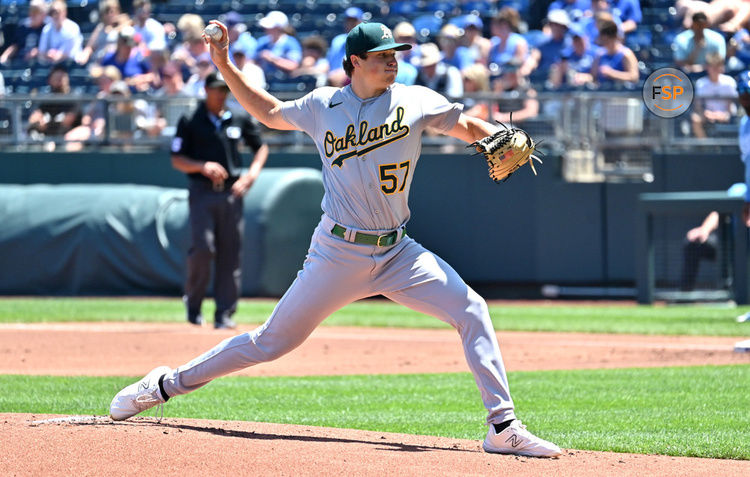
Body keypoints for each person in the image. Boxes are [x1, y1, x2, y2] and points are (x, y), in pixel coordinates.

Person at [109, 20, 562, 459]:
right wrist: (225, 63)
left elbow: (467, 126)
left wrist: (500, 135)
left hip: (397, 251)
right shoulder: (321, 105)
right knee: (271, 343)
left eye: (395, 55)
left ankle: (502, 427)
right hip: (337, 252)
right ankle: (166, 384)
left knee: (471, 308)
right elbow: (267, 112)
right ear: (354, 61)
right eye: (383, 56)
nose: (392, 63)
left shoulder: (415, 100)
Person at [169, 71, 269, 329]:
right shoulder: (191, 118)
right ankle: (193, 306)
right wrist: (202, 166)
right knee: (203, 249)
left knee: (230, 253)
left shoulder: (237, 117)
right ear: (205, 90)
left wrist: (251, 176)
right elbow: (176, 158)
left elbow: (261, 146)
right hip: (202, 191)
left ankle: (224, 314)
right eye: (216, 89)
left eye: (224, 89)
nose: (220, 94)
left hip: (231, 192)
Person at [691, 52, 737, 138]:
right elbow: (698, 106)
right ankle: (705, 147)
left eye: (717, 66)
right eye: (712, 66)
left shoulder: (729, 82)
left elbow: (730, 106)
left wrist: (724, 115)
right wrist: (706, 113)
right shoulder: (701, 83)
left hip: (726, 115)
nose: (715, 70)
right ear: (707, 67)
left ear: (721, 67)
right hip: (707, 114)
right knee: (695, 119)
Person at [0, 0, 48, 65]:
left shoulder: (47, 28)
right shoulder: (23, 26)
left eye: (36, 11)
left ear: (44, 14)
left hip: (39, 63)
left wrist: (37, 51)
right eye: (31, 11)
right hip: (21, 61)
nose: (33, 14)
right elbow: (15, 45)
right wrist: (5, 56)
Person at [37, 0, 83, 64]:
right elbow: (41, 52)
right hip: (52, 65)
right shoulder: (46, 29)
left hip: (71, 64)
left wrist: (56, 55)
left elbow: (69, 52)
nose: (55, 15)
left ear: (64, 12)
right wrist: (48, 54)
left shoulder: (73, 28)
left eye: (57, 12)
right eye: (52, 12)